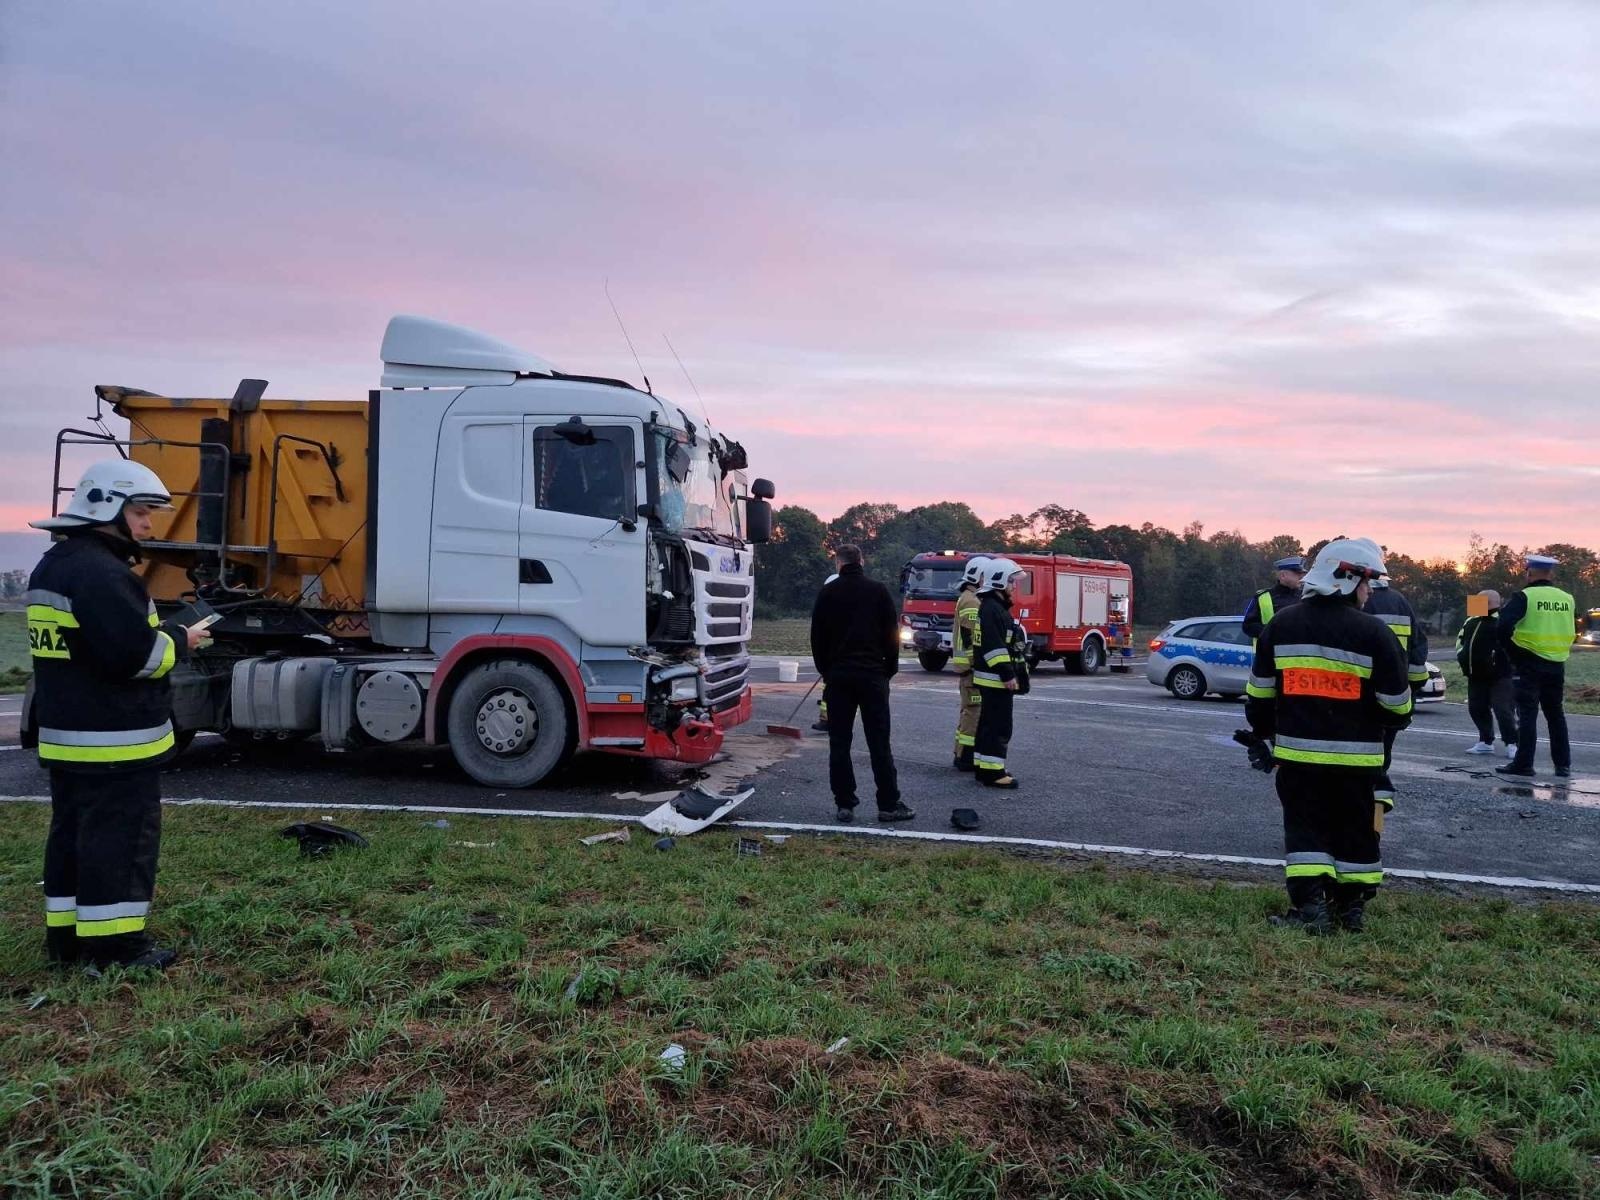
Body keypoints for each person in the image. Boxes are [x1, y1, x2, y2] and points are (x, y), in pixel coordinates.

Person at [26, 461, 208, 972]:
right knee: (120, 843)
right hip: (114, 740)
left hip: (68, 737)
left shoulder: (54, 566)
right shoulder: (103, 574)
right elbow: (135, 658)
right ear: (109, 509)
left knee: (72, 837)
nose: (149, 525)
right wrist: (181, 639)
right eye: (143, 512)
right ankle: (115, 951)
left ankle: (66, 942)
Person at [1245, 538, 1412, 934]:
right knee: (1356, 829)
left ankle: (1310, 910)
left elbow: (1259, 696)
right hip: (1359, 762)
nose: (1370, 592)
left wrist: (1265, 736)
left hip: (1298, 757)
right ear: (1348, 579)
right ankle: (1350, 910)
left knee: (1305, 829)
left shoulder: (1281, 626)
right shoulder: (1374, 633)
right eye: (1368, 583)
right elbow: (1398, 708)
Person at [809, 546, 914, 823]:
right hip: (872, 676)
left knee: (839, 742)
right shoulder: (878, 591)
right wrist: (887, 670)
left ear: (838, 563)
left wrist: (828, 672)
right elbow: (892, 636)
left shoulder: (828, 593)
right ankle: (889, 804)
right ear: (861, 561)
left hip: (839, 677)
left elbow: (816, 639)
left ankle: (845, 803)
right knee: (879, 742)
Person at [1496, 554, 1577, 779]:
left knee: (1528, 714)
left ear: (1529, 572)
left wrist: (1514, 653)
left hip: (1529, 662)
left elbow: (1502, 626)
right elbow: (1571, 630)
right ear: (1551, 574)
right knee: (1555, 714)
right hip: (1557, 662)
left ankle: (1524, 764)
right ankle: (1563, 765)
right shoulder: (1567, 598)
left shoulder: (1525, 596)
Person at [1363, 573, 1429, 808]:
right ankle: (1373, 814)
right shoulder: (1400, 601)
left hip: (1361, 690)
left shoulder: (1352, 600)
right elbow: (1418, 641)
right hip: (1395, 689)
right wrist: (1412, 683)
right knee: (1384, 746)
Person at [971, 558, 1026, 789]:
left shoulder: (990, 608)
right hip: (996, 680)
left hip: (988, 678)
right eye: (1012, 581)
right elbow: (995, 649)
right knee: (999, 726)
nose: (1015, 586)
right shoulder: (993, 610)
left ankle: (984, 768)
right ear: (1000, 581)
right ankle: (994, 774)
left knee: (987, 724)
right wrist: (1008, 675)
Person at [1456, 590, 1517, 758]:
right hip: (1475, 675)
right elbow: (1460, 641)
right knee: (1476, 708)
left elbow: (1514, 645)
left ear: (1487, 602)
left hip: (1501, 675)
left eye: (1477, 601)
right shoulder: (1471, 621)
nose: (1473, 604)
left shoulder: (1503, 621)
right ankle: (1485, 741)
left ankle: (1512, 743)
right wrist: (1461, 655)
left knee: (1503, 710)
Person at [949, 555, 991, 772]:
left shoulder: (967, 598)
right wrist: (978, 664)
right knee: (973, 713)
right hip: (972, 670)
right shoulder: (972, 602)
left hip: (967, 670)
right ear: (980, 577)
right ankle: (965, 757)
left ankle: (961, 753)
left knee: (968, 711)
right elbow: (972, 639)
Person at [1242, 556, 1304, 645]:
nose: (1302, 577)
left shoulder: (1306, 596)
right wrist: (1274, 632)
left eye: (1302, 574)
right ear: (1283, 576)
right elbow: (1248, 626)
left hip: (1301, 656)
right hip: (1269, 655)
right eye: (1297, 573)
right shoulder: (1262, 597)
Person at [811, 572, 840, 732]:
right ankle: (825, 720)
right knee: (827, 692)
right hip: (831, 661)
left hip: (839, 661)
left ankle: (835, 721)